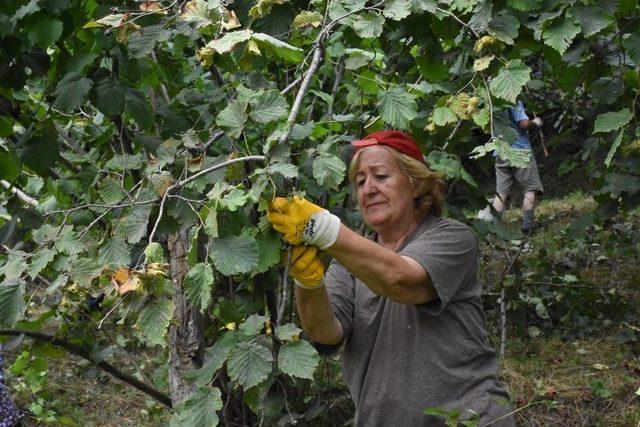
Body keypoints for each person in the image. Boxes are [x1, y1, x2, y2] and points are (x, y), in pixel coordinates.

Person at [267, 130, 515, 426]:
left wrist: (322, 229)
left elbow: (400, 279)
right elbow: (325, 333)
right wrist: (307, 282)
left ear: (416, 183)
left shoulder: (452, 237)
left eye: (381, 176)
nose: (368, 189)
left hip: (467, 420)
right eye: (360, 182)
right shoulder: (349, 264)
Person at [492, 100, 544, 233]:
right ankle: (528, 225)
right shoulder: (512, 98)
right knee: (530, 188)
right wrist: (535, 124)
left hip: (500, 150)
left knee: (501, 192)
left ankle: (494, 228)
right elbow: (524, 123)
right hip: (521, 150)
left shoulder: (490, 101)